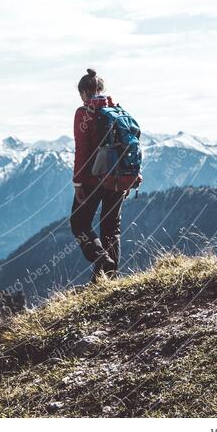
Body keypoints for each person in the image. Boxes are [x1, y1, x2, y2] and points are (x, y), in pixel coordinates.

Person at [70, 68, 125, 282]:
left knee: (79, 223)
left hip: (94, 179)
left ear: (84, 92)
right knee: (111, 226)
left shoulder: (84, 113)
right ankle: (108, 278)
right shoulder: (117, 111)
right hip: (120, 179)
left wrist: (78, 183)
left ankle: (101, 259)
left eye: (80, 94)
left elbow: (82, 150)